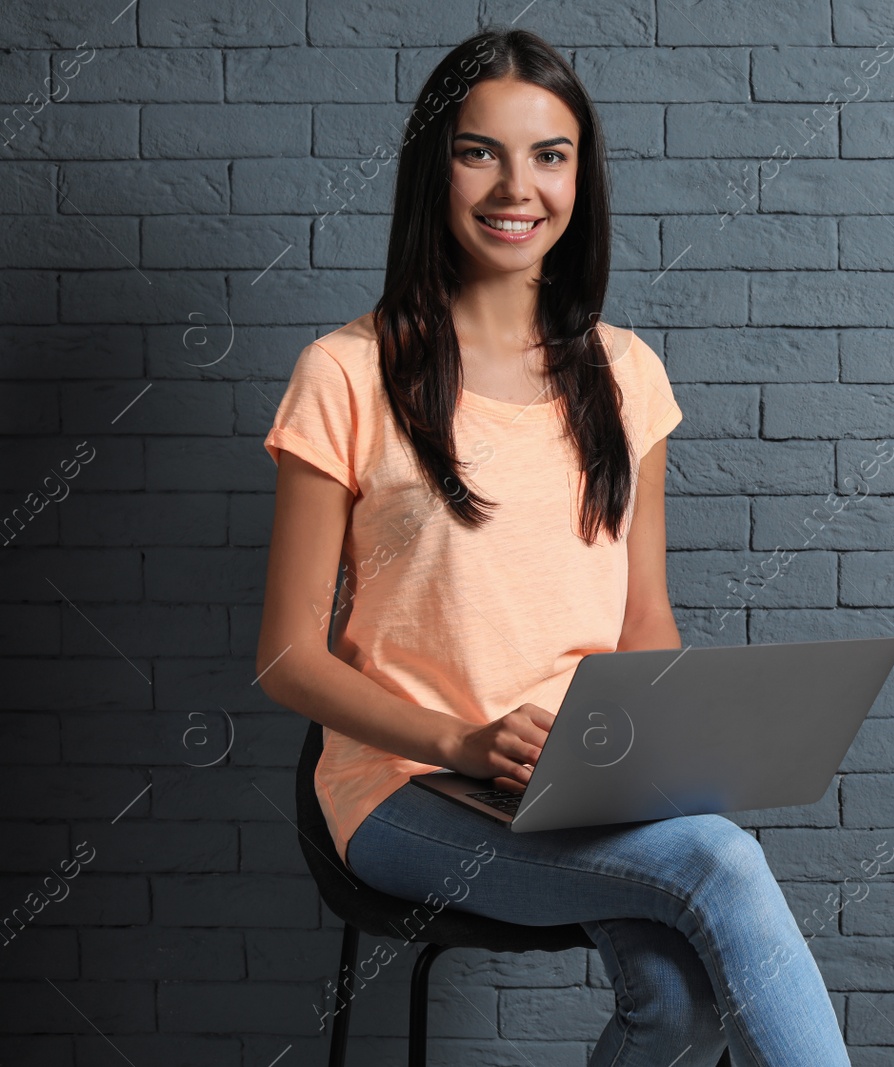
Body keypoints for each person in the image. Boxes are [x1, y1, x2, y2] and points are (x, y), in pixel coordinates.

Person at [256, 27, 852, 1067]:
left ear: (581, 173)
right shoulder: (343, 374)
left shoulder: (625, 375)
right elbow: (286, 657)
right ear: (432, 167)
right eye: (478, 150)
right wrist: (461, 741)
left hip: (581, 779)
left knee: (675, 997)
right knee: (719, 864)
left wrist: (671, 754)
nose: (515, 187)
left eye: (550, 153)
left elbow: (643, 620)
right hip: (407, 787)